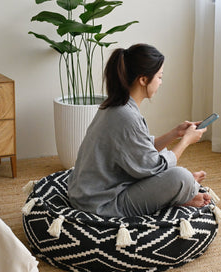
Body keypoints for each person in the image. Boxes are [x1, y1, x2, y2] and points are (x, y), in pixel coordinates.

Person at [67, 43, 211, 217]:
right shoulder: (126, 116)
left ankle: (181, 191)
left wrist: (176, 133)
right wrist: (186, 141)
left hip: (88, 193)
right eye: (159, 77)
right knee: (181, 176)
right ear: (143, 80)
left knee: (176, 175)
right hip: (101, 204)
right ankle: (183, 191)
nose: (161, 82)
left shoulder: (115, 107)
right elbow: (154, 166)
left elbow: (141, 151)